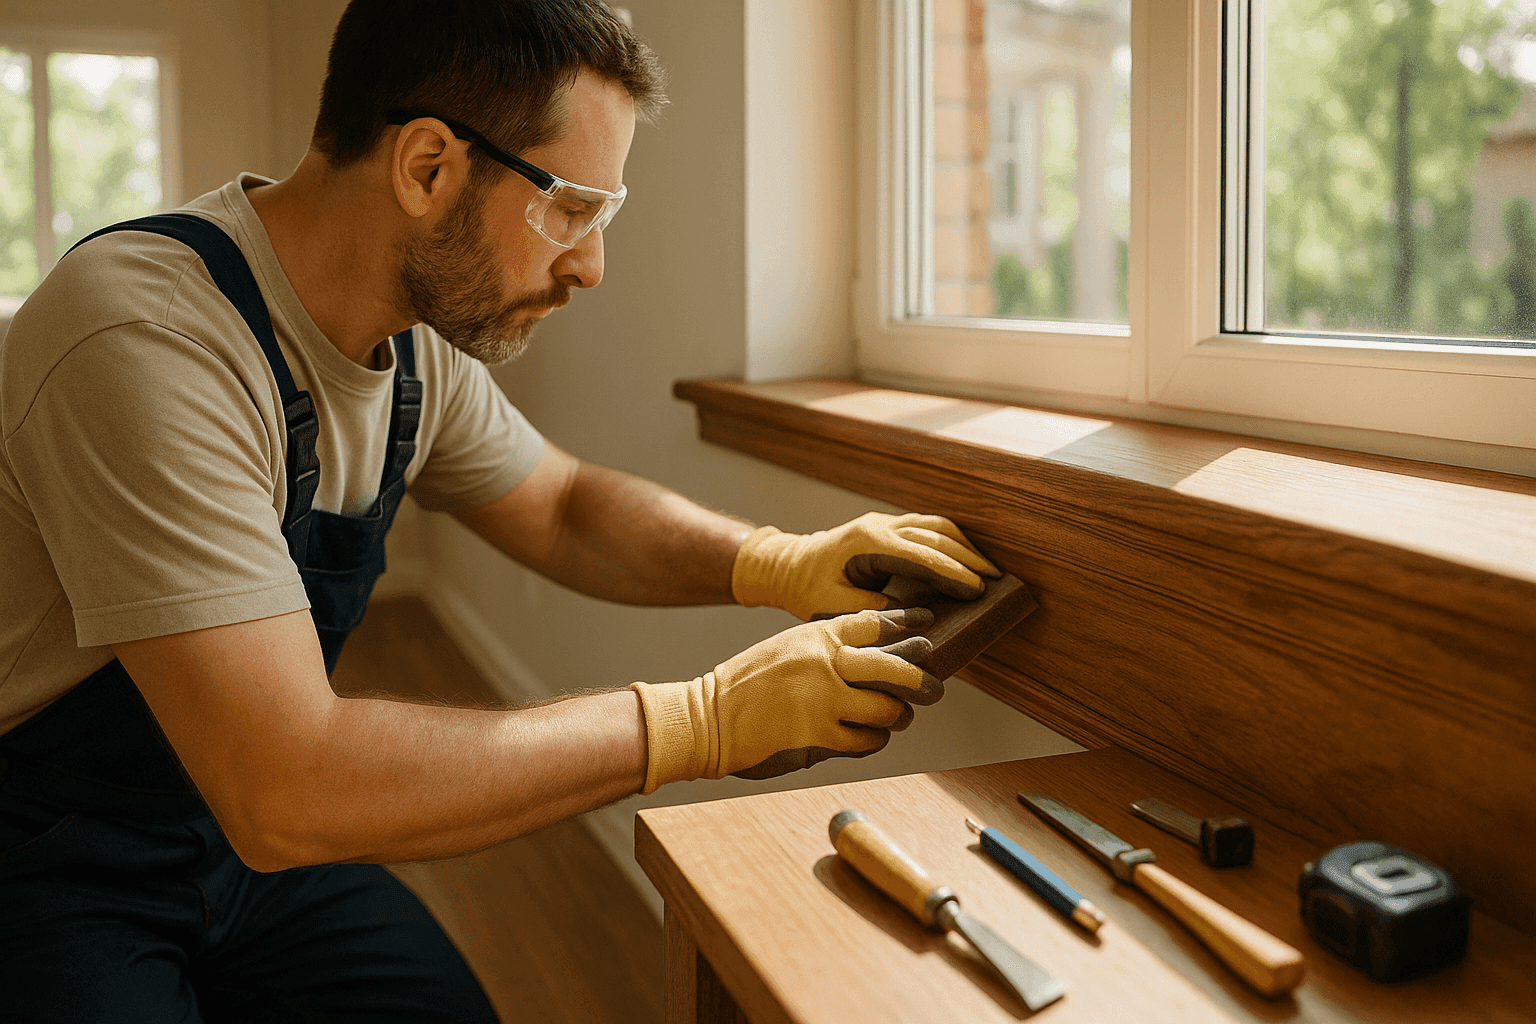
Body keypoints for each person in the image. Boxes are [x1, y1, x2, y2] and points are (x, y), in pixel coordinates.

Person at [0, 1, 1000, 1020]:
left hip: (229, 846)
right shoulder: (146, 336)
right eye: (571, 210)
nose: (590, 266)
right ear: (428, 166)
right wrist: (699, 721)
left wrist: (779, 559)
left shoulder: (411, 350)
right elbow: (288, 783)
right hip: (47, 857)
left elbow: (561, 506)